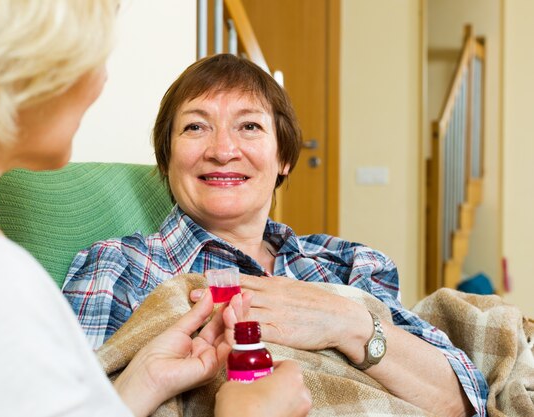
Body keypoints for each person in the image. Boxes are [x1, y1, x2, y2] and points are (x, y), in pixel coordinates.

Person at [0, 1, 311, 416]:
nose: (100, 82)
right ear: (19, 74)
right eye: (89, 60)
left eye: (249, 126)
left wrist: (143, 384)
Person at [63, 53, 490, 417]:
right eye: (196, 127)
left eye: (249, 126)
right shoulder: (120, 267)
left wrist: (346, 324)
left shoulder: (348, 264)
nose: (223, 149)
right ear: (167, 159)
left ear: (283, 157)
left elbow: (464, 399)